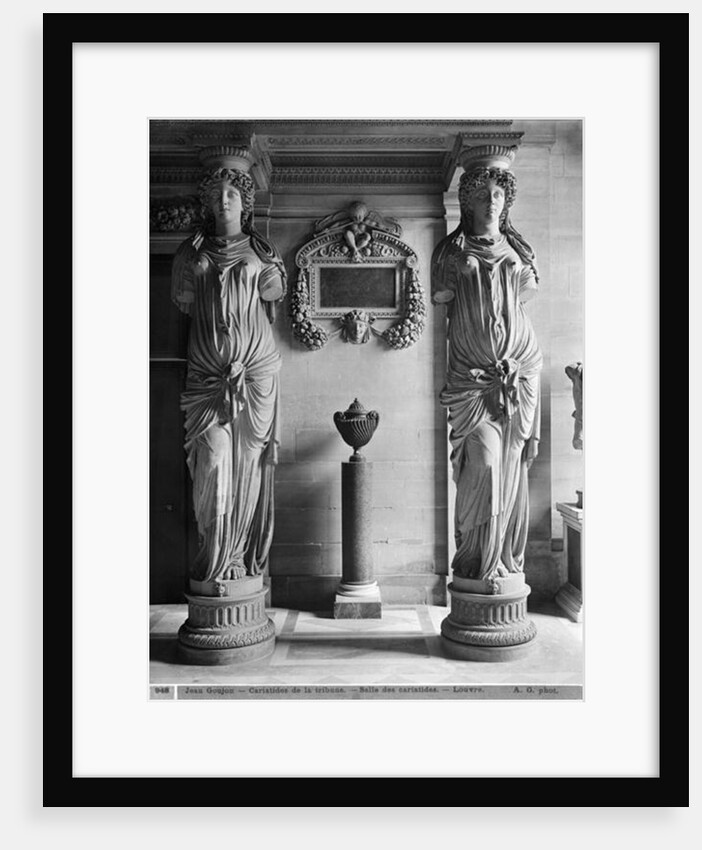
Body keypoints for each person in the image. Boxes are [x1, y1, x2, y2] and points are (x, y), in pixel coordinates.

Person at [171, 167, 286, 584]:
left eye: (232, 193)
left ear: (245, 202)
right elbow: (185, 300)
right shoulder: (190, 253)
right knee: (214, 461)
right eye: (216, 193)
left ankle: (235, 559)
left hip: (255, 376)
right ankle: (213, 557)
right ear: (205, 201)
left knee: (247, 467)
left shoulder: (261, 251)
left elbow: (273, 293)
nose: (224, 200)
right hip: (205, 378)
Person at [431, 165, 542, 582]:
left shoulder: (519, 252)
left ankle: (500, 563)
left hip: (519, 377)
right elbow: (443, 295)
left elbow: (526, 296)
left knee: (510, 469)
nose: (492, 201)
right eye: (483, 194)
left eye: (498, 194)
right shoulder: (449, 254)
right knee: (485, 464)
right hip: (471, 384)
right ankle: (476, 559)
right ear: (468, 203)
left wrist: (522, 365)